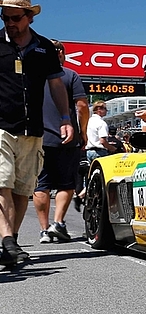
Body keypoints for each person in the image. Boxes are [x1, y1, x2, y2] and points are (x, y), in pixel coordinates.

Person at [0, 0, 74, 266]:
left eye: (15, 18)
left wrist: (65, 119)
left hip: (32, 130)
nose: (9, 23)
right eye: (5, 17)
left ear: (29, 17)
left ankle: (11, 243)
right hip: (1, 126)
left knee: (21, 190)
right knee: (1, 183)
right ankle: (7, 240)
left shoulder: (44, 48)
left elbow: (56, 85)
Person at [33, 40, 89, 243]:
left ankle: (44, 230)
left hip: (39, 137)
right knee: (66, 184)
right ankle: (58, 223)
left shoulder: (35, 75)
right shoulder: (70, 75)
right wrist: (83, 132)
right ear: (62, 54)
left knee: (41, 184)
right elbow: (81, 106)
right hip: (68, 137)